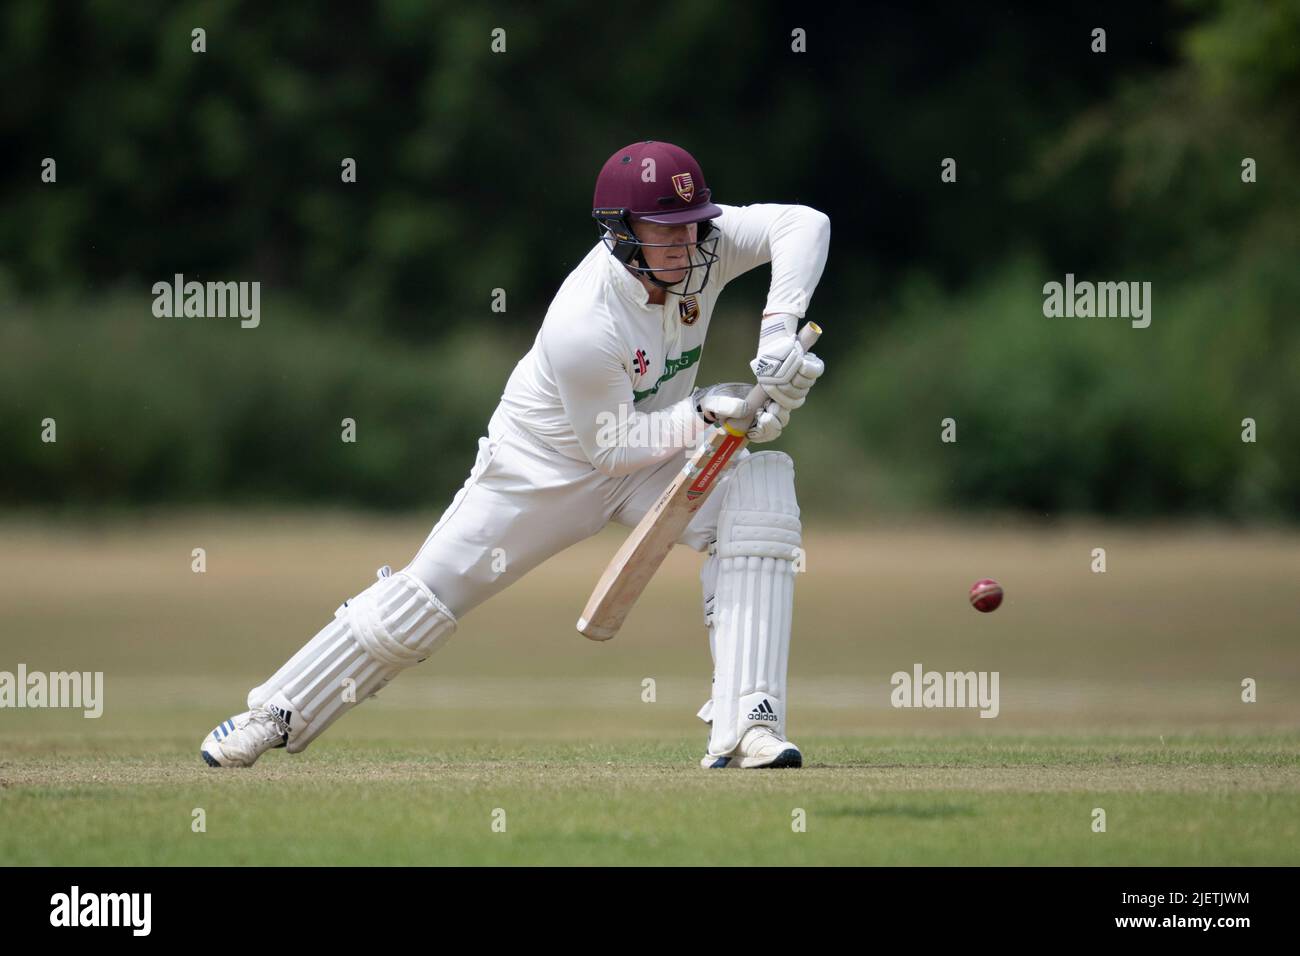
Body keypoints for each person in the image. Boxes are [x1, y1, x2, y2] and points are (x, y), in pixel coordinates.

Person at [200, 140, 829, 770]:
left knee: (758, 502)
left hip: (653, 453)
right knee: (421, 604)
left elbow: (805, 223)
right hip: (541, 467)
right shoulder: (585, 320)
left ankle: (749, 724)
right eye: (665, 230)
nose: (686, 244)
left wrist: (777, 335)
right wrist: (707, 411)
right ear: (621, 232)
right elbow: (612, 447)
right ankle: (273, 712)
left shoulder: (702, 245)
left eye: (692, 225)